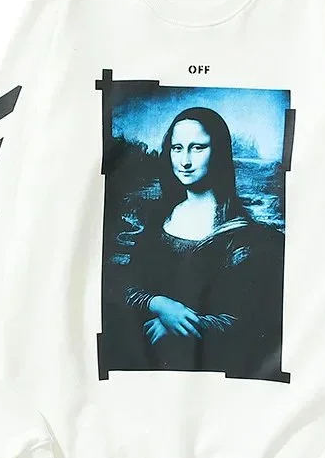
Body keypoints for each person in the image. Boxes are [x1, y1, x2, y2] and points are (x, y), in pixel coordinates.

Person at [116, 106, 285, 377]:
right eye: (177, 148)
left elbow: (246, 321)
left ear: (218, 152)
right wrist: (159, 304)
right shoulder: (159, 217)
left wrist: (174, 326)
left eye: (197, 148)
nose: (184, 161)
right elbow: (127, 285)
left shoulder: (243, 234)